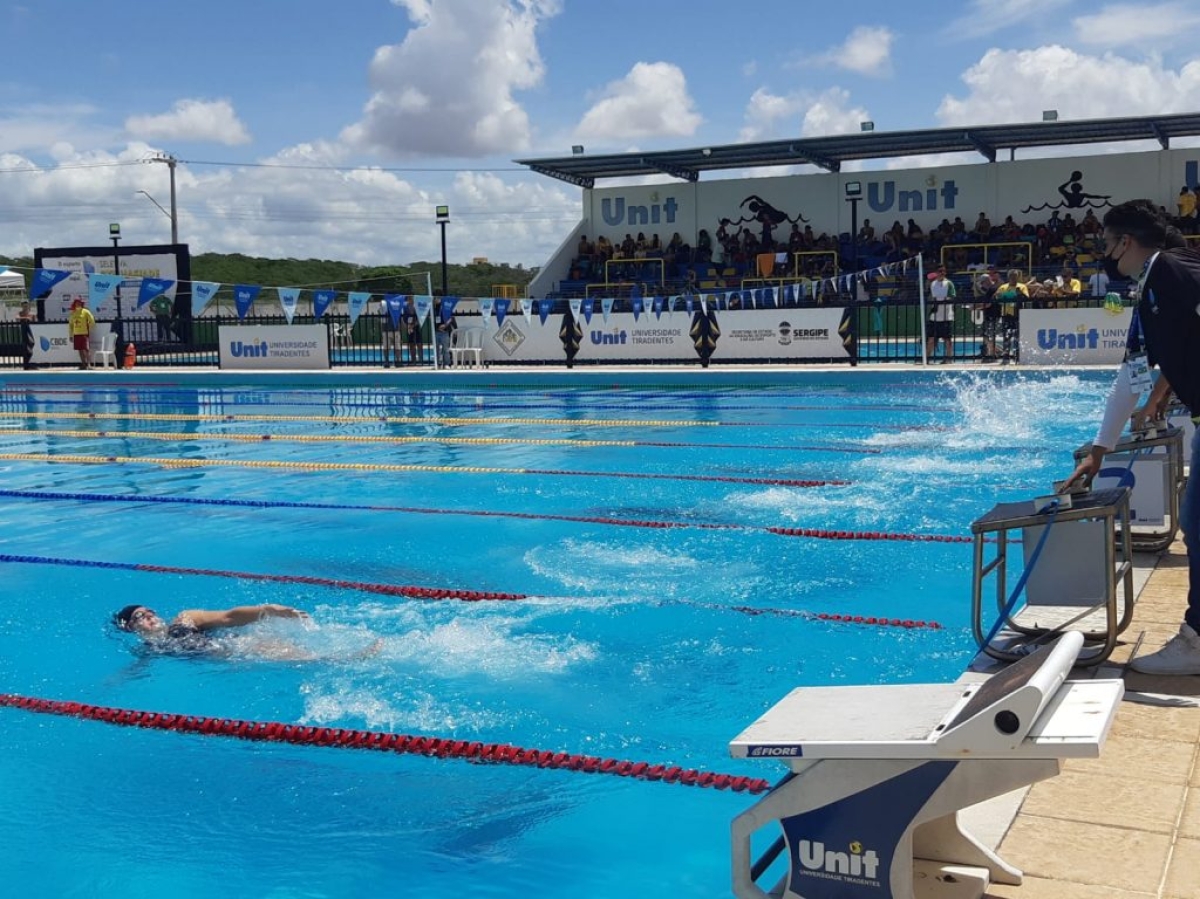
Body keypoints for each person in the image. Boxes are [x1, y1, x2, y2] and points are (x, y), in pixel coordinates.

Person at [1066, 199, 1200, 675]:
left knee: (1199, 523)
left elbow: (1132, 371)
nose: (1107, 255)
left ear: (1125, 241)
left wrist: (1102, 448)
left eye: (1107, 244)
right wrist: (1102, 447)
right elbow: (1141, 371)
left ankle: (1196, 641)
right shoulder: (1168, 271)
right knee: (1196, 521)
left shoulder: (1165, 272)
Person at [114, 602, 313, 658]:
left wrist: (268, 610)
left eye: (150, 611)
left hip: (242, 646)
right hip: (230, 660)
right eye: (140, 616)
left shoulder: (184, 619)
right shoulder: (149, 649)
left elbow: (229, 617)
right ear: (130, 628)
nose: (150, 615)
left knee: (310, 658)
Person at [926, 267, 956, 362]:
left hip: (946, 316)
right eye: (940, 271)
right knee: (930, 338)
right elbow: (933, 296)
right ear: (936, 273)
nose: (942, 273)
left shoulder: (949, 283)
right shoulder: (933, 284)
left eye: (943, 271)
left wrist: (943, 300)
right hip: (934, 316)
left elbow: (952, 296)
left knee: (947, 339)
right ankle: (927, 358)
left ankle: (949, 358)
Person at [67, 298, 94, 370]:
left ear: (82, 304)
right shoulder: (73, 313)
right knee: (80, 350)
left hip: (84, 334)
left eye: (79, 302)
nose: (78, 304)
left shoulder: (86, 311)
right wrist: (70, 335)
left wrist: (90, 328)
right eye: (77, 303)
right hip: (76, 334)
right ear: (74, 304)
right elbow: (70, 326)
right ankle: (83, 364)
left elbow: (92, 320)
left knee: (86, 349)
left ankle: (89, 365)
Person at [434, 298, 457, 368]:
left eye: (437, 298)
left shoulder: (446, 307)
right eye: (435, 299)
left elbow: (451, 318)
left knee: (445, 349)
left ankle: (447, 364)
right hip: (436, 331)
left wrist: (445, 325)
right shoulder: (433, 309)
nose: (436, 300)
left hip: (445, 331)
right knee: (436, 349)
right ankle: (437, 364)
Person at [18, 300, 36, 369]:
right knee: (26, 346)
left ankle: (28, 363)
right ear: (22, 306)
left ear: (28, 306)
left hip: (31, 331)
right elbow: (17, 317)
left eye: (26, 305)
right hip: (24, 332)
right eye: (24, 305)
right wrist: (26, 318)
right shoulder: (20, 313)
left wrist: (32, 318)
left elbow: (35, 321)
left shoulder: (32, 314)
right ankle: (27, 365)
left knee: (32, 343)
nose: (25, 307)